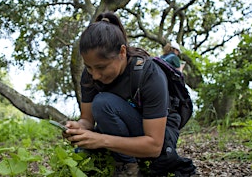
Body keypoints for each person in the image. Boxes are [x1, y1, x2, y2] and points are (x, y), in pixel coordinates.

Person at [63, 12, 196, 176]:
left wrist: (101, 140)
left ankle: (128, 167)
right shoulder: (89, 75)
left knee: (102, 103)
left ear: (122, 52)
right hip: (123, 129)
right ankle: (124, 160)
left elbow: (153, 146)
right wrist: (79, 128)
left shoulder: (149, 74)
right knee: (98, 113)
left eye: (101, 67)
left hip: (157, 137)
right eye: (89, 67)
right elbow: (87, 120)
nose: (95, 75)